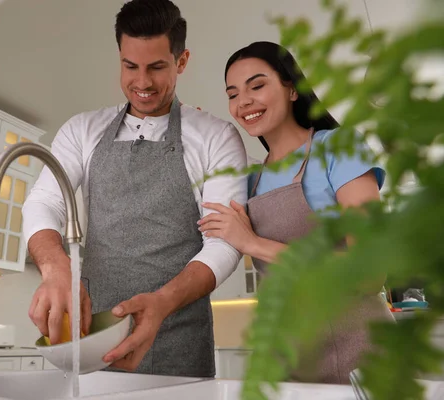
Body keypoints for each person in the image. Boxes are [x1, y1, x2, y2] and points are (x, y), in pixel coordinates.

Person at [21, 0, 248, 378]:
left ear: (182, 60)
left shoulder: (216, 137)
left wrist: (162, 302)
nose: (142, 83)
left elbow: (224, 243)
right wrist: (55, 266)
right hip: (94, 341)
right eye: (130, 66)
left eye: (157, 67)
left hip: (180, 342)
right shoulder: (82, 130)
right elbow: (45, 200)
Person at [198, 41, 395, 384]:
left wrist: (255, 244)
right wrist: (193, 135)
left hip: (363, 353)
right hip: (290, 360)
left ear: (292, 89)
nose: (243, 101)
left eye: (257, 86)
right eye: (232, 94)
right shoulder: (249, 180)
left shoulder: (337, 148)